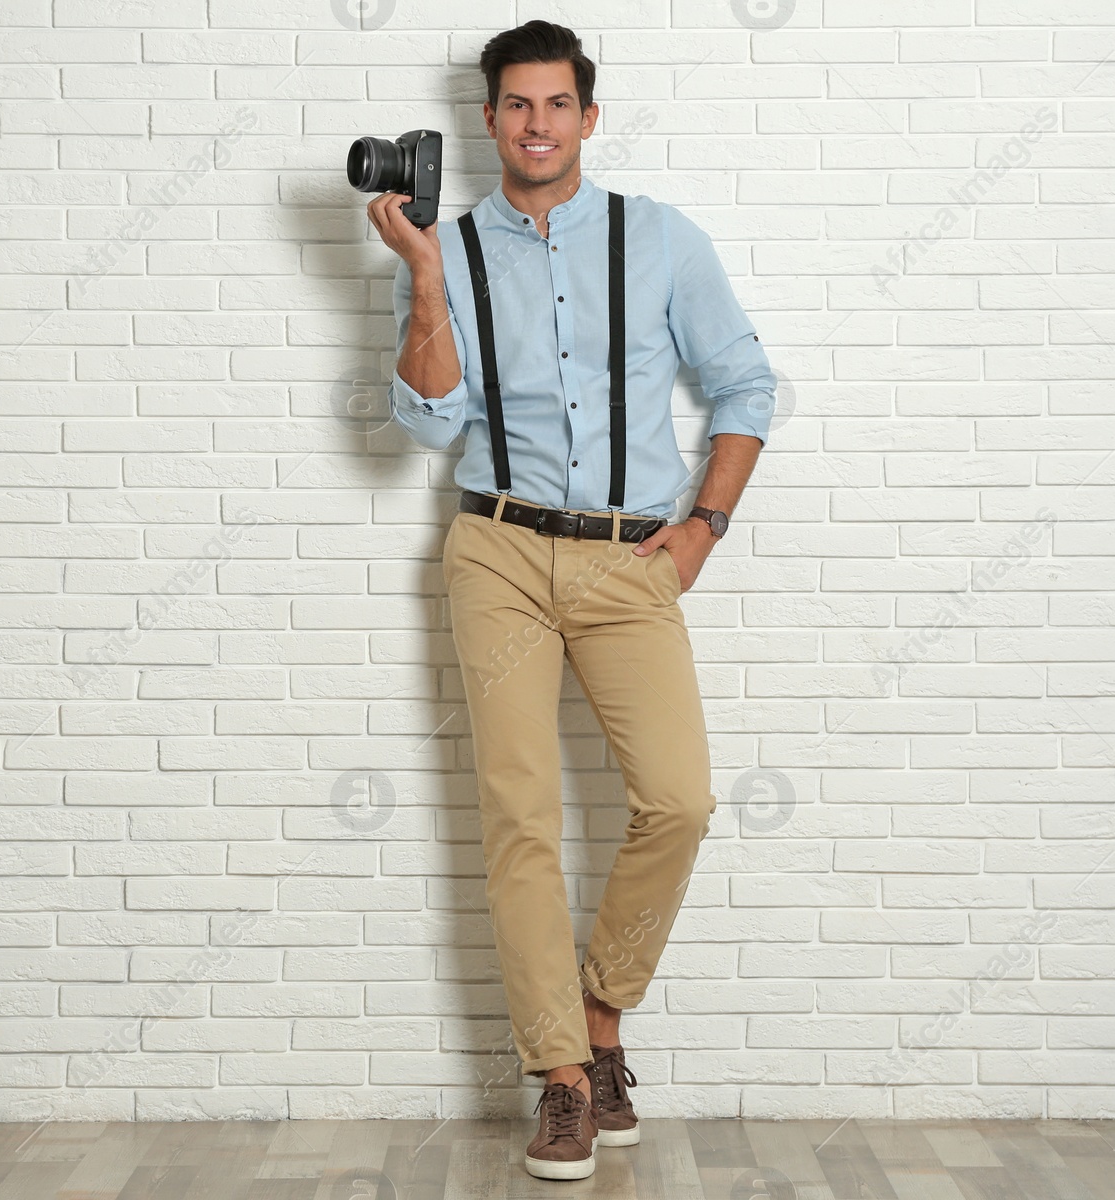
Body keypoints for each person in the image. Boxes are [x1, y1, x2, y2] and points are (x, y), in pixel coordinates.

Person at [367, 19, 776, 1181]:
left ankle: (601, 1022)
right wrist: (427, 283)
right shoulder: (448, 247)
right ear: (487, 119)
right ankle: (559, 1078)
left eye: (556, 104)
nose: (535, 124)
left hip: (630, 559)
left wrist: (704, 527)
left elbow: (745, 381)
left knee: (679, 801)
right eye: (514, 105)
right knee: (520, 817)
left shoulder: (657, 238)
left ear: (587, 118)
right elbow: (426, 424)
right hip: (494, 550)